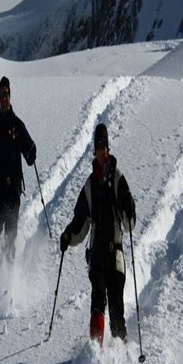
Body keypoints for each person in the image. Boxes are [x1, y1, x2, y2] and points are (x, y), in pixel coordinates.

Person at [60, 123, 136, 345]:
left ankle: (121, 354)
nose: (101, 150)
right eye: (98, 146)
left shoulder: (119, 179)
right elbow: (81, 221)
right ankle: (95, 355)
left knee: (116, 309)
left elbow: (129, 222)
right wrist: (67, 236)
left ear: (108, 148)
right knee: (97, 303)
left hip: (115, 255)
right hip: (97, 256)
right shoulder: (90, 185)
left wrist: (129, 208)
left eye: (104, 145)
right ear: (94, 150)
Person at [0, 76, 36, 262]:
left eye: (6, 94)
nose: (3, 98)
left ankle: (10, 280)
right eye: (1, 94)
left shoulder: (17, 125)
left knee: (10, 237)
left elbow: (29, 148)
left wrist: (31, 152)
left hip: (12, 191)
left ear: (10, 96)